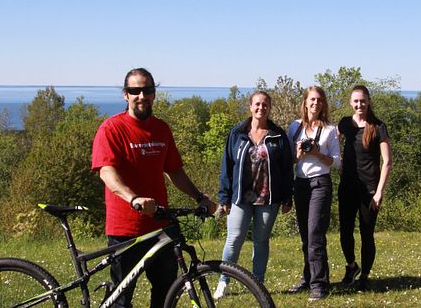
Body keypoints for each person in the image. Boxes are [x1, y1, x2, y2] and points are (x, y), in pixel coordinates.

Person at [91, 68, 217, 308]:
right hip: (125, 229)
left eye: (147, 90)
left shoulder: (161, 129)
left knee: (166, 292)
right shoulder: (111, 129)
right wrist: (134, 198)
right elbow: (106, 171)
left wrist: (199, 197)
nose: (141, 95)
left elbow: (175, 172)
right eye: (134, 90)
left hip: (161, 225)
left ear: (154, 93)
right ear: (125, 95)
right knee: (122, 299)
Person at [215, 91, 294, 299]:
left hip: (269, 198)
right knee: (234, 240)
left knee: (261, 241)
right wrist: (224, 197)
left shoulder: (278, 135)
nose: (261, 108)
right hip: (240, 197)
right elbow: (227, 166)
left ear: (270, 107)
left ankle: (258, 283)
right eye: (257, 104)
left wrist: (288, 197)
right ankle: (223, 281)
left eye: (265, 104)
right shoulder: (237, 133)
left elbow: (287, 168)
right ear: (250, 107)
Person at [286, 86, 341, 301]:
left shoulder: (330, 130)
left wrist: (317, 152)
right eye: (312, 99)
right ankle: (308, 278)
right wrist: (298, 154)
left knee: (315, 234)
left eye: (319, 99)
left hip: (320, 184)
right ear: (305, 102)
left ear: (323, 104)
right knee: (305, 236)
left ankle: (319, 284)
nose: (315, 103)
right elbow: (289, 160)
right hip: (300, 184)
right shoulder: (295, 127)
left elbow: (336, 162)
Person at [337, 85, 392, 292]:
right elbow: (331, 144)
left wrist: (379, 192)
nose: (359, 105)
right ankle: (352, 266)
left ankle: (365, 277)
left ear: (368, 101)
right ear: (351, 103)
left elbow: (387, 162)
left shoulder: (378, 127)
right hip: (347, 188)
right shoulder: (344, 124)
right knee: (345, 232)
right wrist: (338, 163)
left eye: (363, 101)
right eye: (356, 101)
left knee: (366, 234)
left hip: (369, 191)